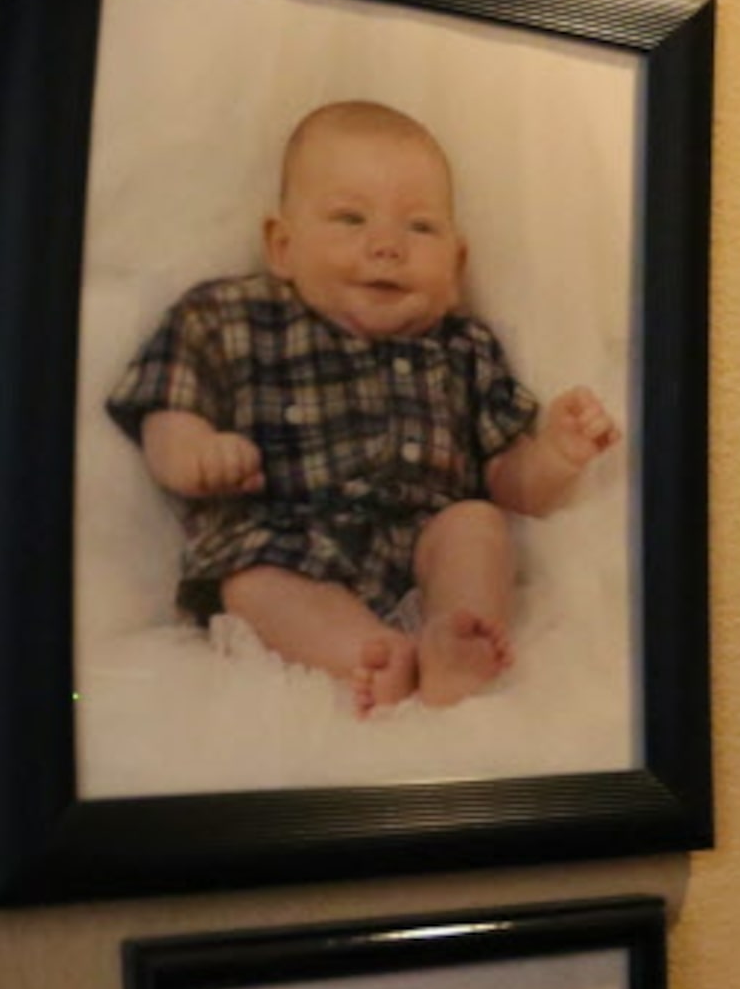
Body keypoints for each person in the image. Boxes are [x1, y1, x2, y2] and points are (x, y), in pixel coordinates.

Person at [106, 100, 620, 715]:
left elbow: (511, 484)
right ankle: (367, 650)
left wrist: (557, 456)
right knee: (250, 584)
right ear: (282, 246)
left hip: (420, 539)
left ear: (456, 265)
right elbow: (168, 402)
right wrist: (189, 452)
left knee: (477, 524)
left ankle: (455, 634)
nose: (386, 246)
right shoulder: (230, 316)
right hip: (283, 540)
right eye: (350, 219)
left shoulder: (465, 347)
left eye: (420, 228)